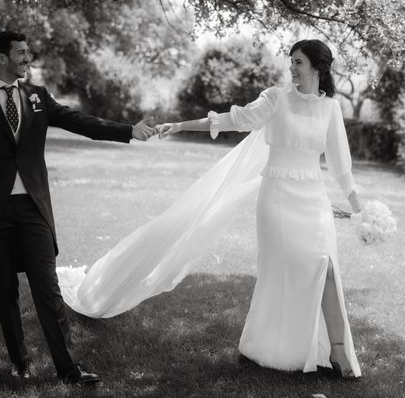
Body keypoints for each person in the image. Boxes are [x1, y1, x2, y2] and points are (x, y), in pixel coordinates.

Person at [0, 31, 155, 386]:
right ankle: (20, 361)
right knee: (4, 292)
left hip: (33, 210)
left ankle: (69, 369)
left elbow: (79, 122)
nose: (29, 58)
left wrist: (128, 132)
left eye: (29, 53)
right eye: (21, 53)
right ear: (0, 58)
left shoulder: (37, 97)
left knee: (48, 289)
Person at [155, 39, 363, 378]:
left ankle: (338, 353)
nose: (292, 68)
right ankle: (262, 346)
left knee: (325, 267)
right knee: (278, 274)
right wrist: (179, 126)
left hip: (313, 198)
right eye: (291, 61)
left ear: (317, 67)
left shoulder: (331, 109)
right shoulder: (275, 98)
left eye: (298, 62)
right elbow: (233, 119)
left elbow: (341, 167)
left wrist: (361, 211)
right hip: (278, 196)